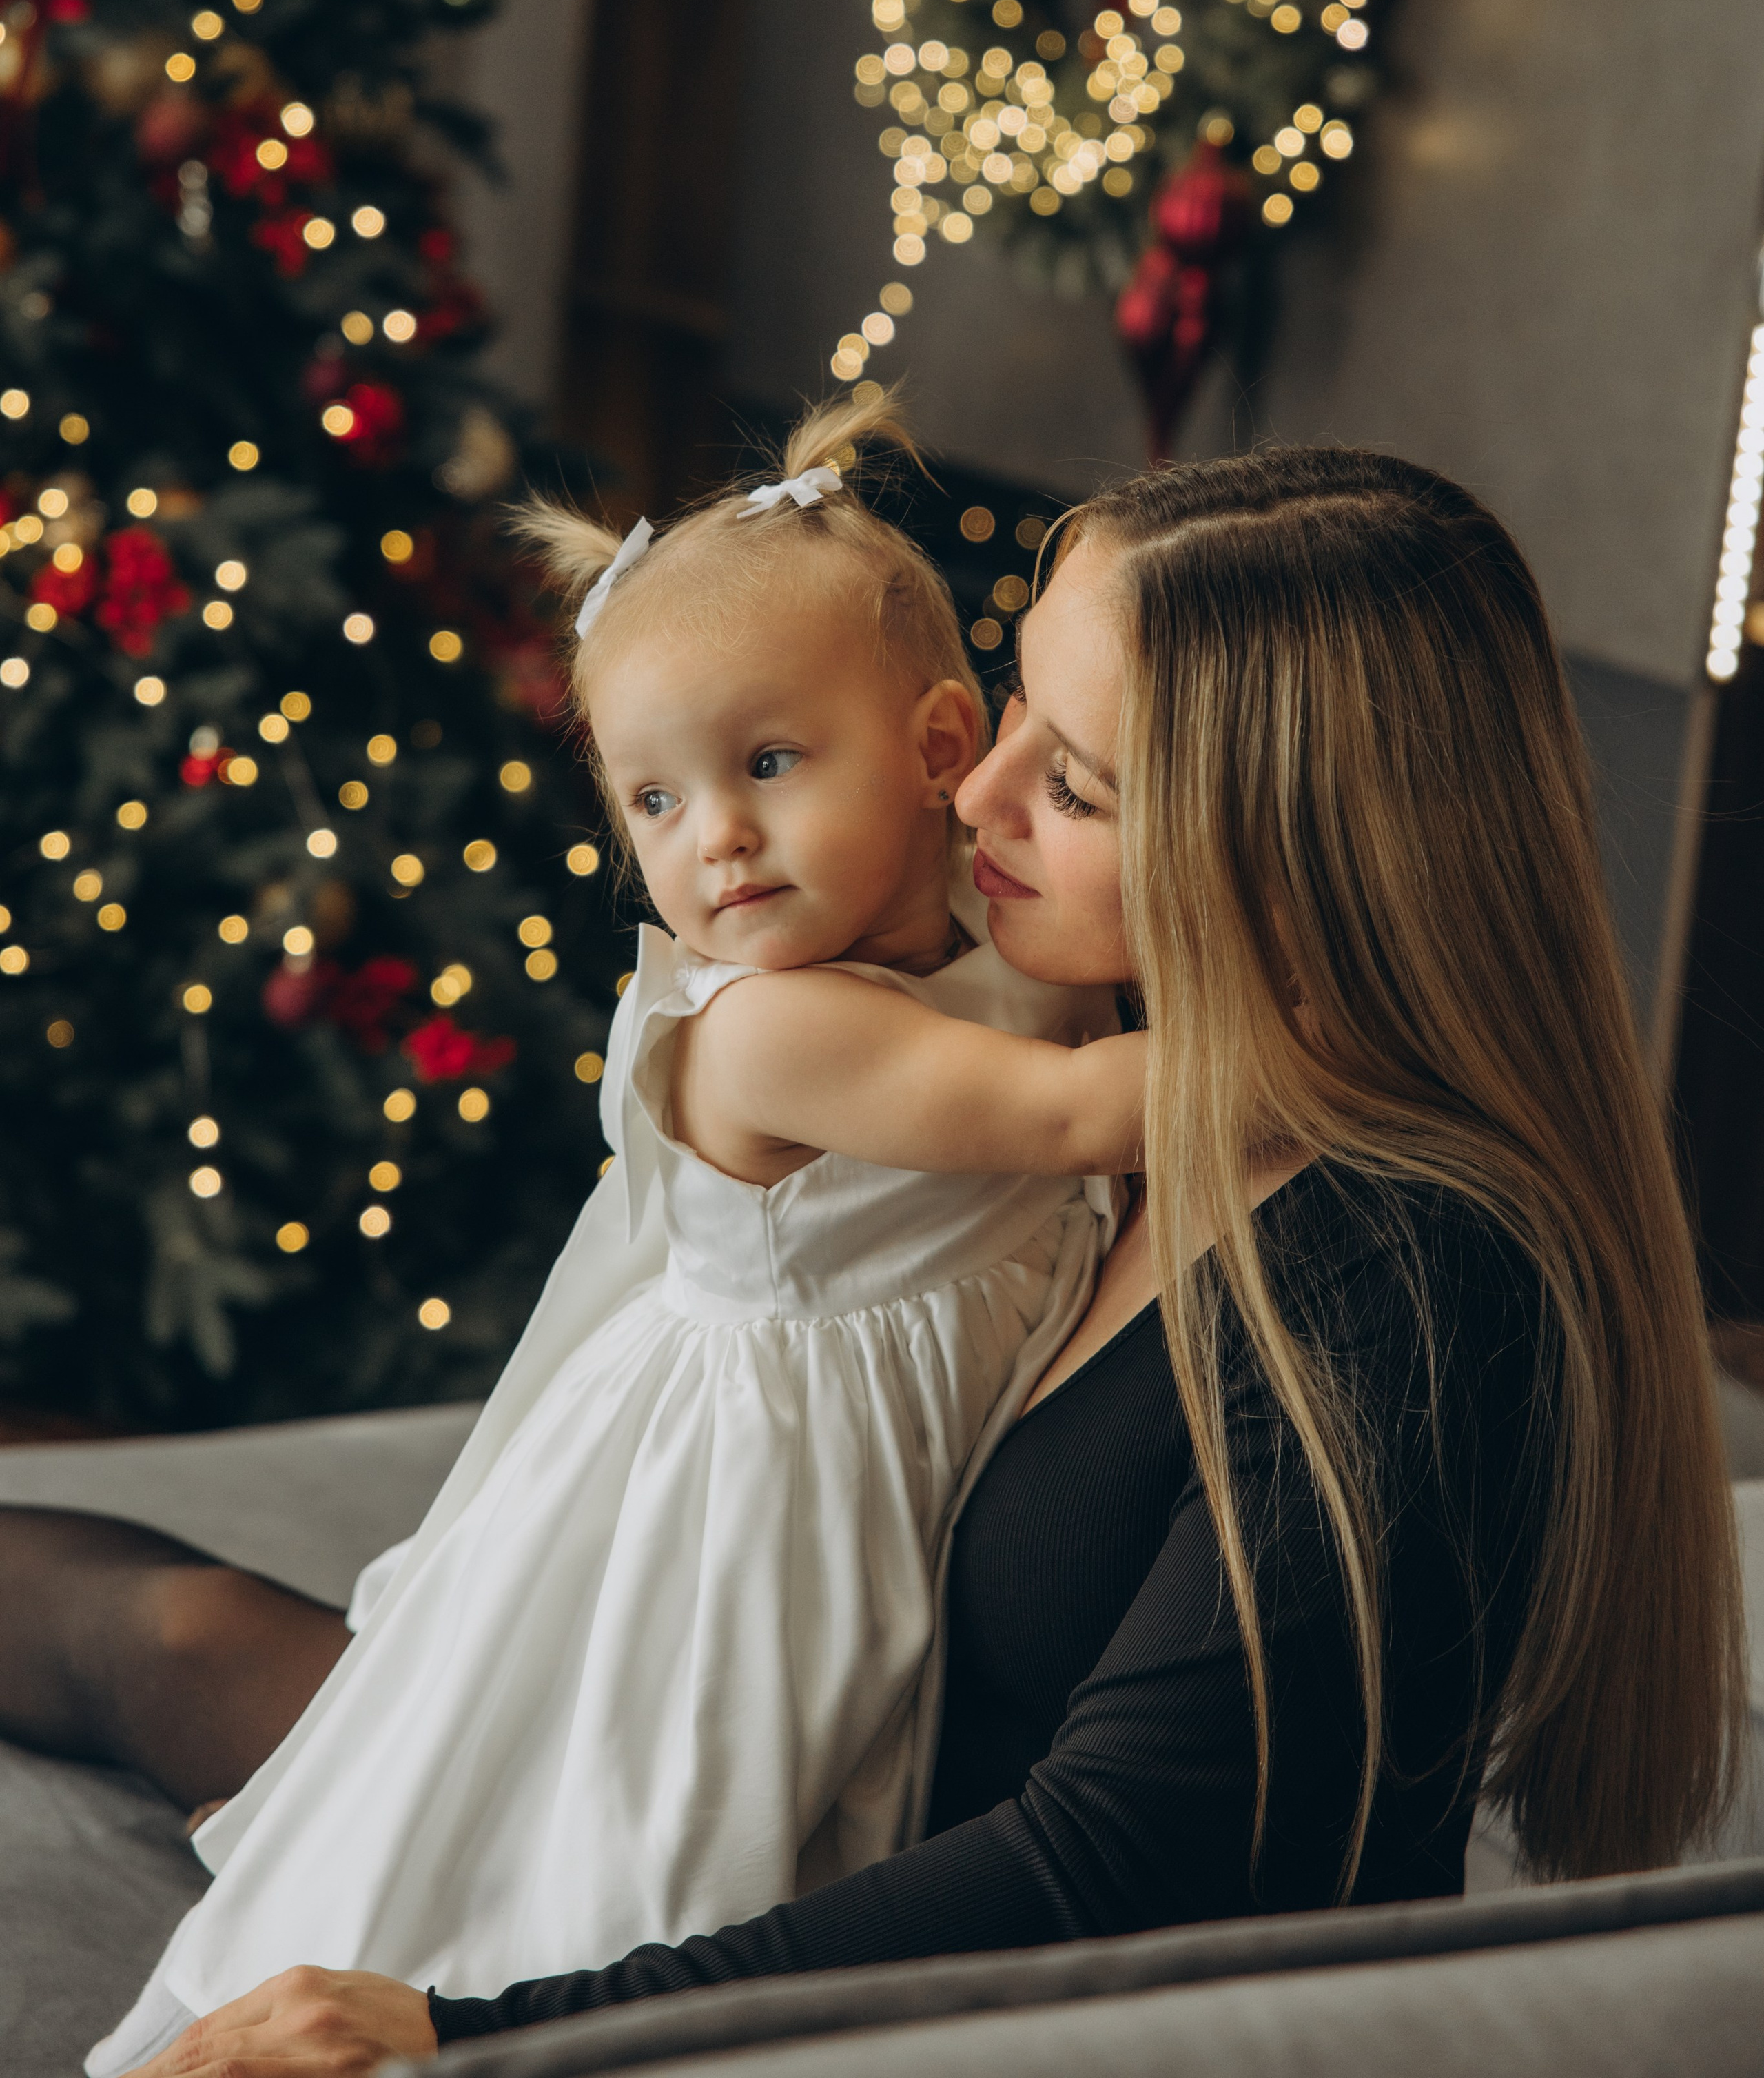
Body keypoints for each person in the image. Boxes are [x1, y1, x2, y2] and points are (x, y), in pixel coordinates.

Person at [121, 441, 1750, 2078]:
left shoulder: (1399, 1272)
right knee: (201, 1651)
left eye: (1076, 782)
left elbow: (1110, 1866)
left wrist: (470, 2032)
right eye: (1013, 705)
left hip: (997, 2004)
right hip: (772, 1729)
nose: (970, 790)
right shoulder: (1110, 1041)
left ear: (1295, 850)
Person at [70, 395, 1149, 2072]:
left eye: (768, 765)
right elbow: (1083, 1117)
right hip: (730, 1516)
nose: (711, 838)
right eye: (653, 802)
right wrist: (1360, 1019)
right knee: (631, 1841)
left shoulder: (1023, 954)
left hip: (877, 1486)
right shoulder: (771, 1030)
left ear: (943, 746)